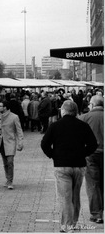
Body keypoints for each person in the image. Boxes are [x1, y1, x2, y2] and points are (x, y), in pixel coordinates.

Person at [41, 100, 98, 233]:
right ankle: (73, 222)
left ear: (63, 111)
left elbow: (44, 144)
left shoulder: (55, 126)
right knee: (75, 195)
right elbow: (93, 144)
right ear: (75, 111)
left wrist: (54, 155)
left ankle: (67, 225)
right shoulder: (83, 125)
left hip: (62, 166)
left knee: (65, 197)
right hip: (79, 165)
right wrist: (83, 154)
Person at [79, 95, 104, 224]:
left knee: (93, 184)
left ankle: (96, 214)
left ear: (93, 105)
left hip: (91, 154)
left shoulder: (84, 118)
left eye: (89, 104)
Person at [0, 101, 24, 190]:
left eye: (0, 106)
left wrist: (20, 142)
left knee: (10, 161)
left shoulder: (14, 117)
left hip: (10, 141)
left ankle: (10, 181)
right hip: (1, 142)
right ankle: (8, 179)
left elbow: (19, 130)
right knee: (5, 162)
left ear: (5, 107)